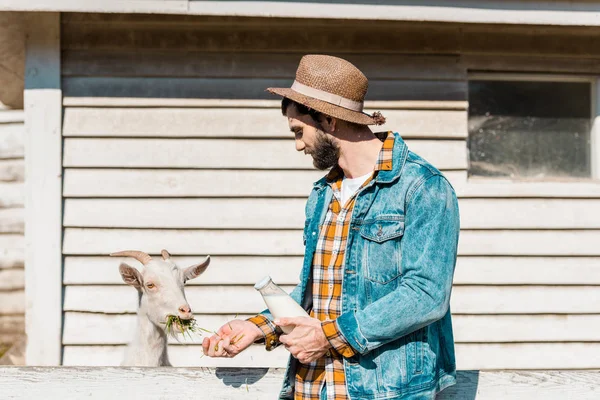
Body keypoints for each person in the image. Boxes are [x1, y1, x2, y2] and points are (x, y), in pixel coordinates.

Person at [202, 54, 460, 400]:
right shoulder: (323, 194)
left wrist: (327, 337)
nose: (297, 144)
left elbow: (426, 295)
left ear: (328, 119)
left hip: (383, 391)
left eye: (299, 130)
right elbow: (317, 295)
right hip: (312, 388)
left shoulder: (422, 188)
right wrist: (256, 327)